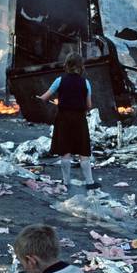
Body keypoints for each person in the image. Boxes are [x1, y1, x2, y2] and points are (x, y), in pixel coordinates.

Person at [38, 53, 98, 189]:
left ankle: (66, 182)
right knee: (83, 151)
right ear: (81, 66)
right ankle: (89, 182)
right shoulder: (85, 83)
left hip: (63, 119)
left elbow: (44, 97)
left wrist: (43, 99)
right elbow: (88, 105)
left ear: (66, 65)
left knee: (65, 150)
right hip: (79, 119)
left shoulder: (59, 80)